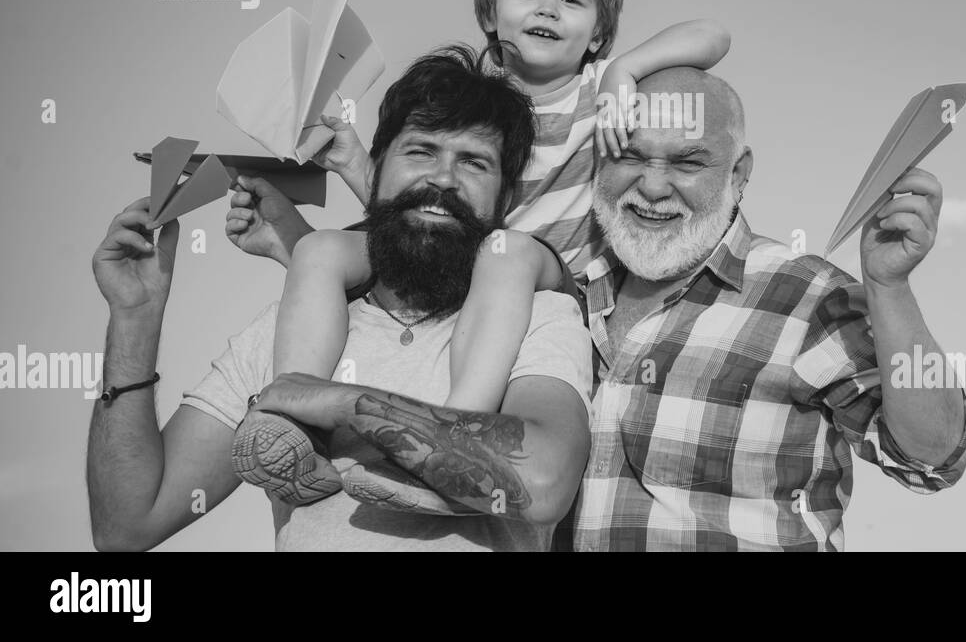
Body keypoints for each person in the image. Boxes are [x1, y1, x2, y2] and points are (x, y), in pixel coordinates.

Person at [249, 0, 729, 501]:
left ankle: (448, 443)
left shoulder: (599, 88)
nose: (547, 10)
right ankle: (290, 420)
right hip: (463, 266)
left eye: (571, 0)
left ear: (599, 34)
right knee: (320, 248)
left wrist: (627, 70)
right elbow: (428, 208)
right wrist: (355, 165)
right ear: (490, 15)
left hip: (548, 274)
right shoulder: (473, 99)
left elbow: (713, 34)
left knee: (506, 252)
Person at [87, 46, 592, 551]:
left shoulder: (537, 319)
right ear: (379, 171)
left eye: (474, 162)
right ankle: (293, 427)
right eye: (420, 151)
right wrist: (136, 316)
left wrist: (341, 404)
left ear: (504, 199)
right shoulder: (291, 324)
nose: (443, 178)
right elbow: (127, 528)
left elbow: (543, 484)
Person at [559, 66, 966, 550]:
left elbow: (932, 458)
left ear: (738, 174)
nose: (652, 187)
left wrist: (890, 287)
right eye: (629, 155)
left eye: (687, 163)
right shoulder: (566, 300)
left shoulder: (809, 296)